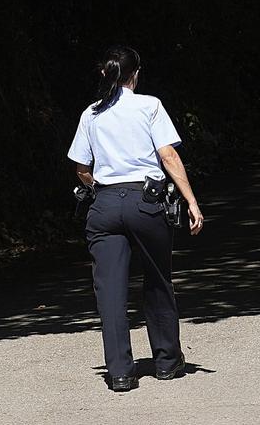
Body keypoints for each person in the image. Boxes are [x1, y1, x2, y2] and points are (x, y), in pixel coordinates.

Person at [66, 45, 205, 392]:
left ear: (107, 74)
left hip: (105, 204)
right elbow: (168, 155)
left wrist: (100, 186)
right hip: (146, 201)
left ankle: (121, 374)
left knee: (109, 290)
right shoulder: (149, 106)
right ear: (135, 73)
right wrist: (190, 200)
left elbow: (81, 168)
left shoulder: (90, 114)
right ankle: (167, 362)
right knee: (158, 278)